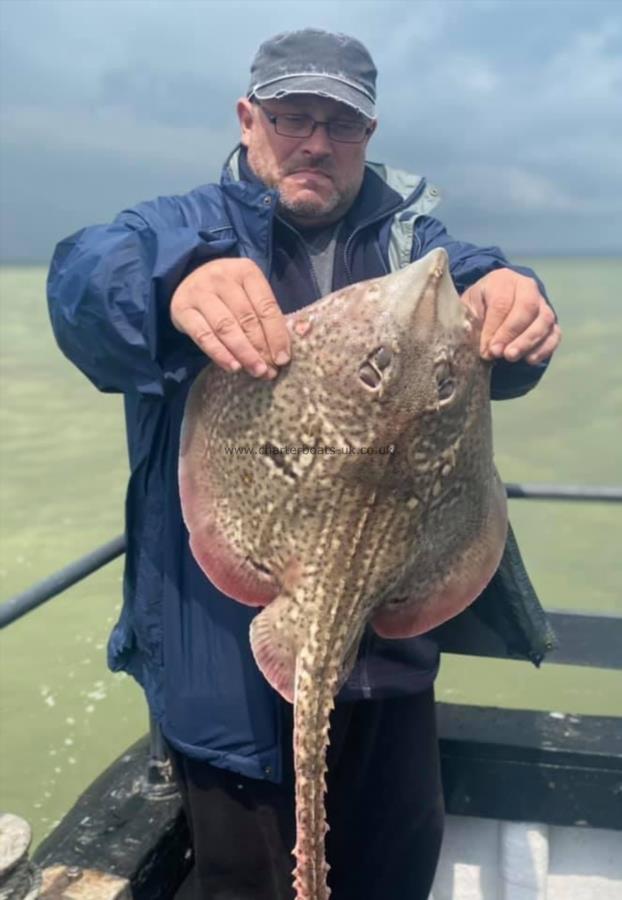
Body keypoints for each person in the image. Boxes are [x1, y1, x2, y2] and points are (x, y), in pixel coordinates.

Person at [47, 27, 561, 900]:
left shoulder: (410, 245)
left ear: (368, 135)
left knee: (394, 873)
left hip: (388, 654)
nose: (316, 140)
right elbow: (84, 280)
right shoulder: (177, 229)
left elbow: (479, 287)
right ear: (249, 119)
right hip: (220, 666)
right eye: (292, 116)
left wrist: (516, 300)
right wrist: (173, 286)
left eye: (342, 124)